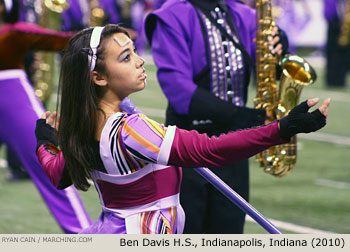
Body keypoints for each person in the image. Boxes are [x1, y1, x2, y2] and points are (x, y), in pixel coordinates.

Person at [34, 23, 330, 234]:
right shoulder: (131, 130)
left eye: (135, 51)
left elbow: (59, 172)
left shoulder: (84, 125)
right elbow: (212, 151)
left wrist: (45, 144)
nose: (139, 62)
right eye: (125, 58)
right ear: (98, 77)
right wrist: (282, 128)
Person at [144, 0, 289, 233]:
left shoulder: (245, 15)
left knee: (229, 231)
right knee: (188, 230)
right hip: (186, 148)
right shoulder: (171, 16)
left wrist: (280, 51)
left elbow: (270, 71)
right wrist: (238, 116)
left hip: (234, 147)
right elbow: (178, 89)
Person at [0, 0, 92, 233]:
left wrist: (103, 36)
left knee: (48, 167)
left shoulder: (12, 33)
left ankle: (85, 237)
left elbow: (62, 39)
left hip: (9, 93)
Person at [324, 0, 350, 88]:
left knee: (344, 53)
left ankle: (340, 79)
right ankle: (332, 79)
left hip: (343, 21)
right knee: (332, 52)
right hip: (334, 20)